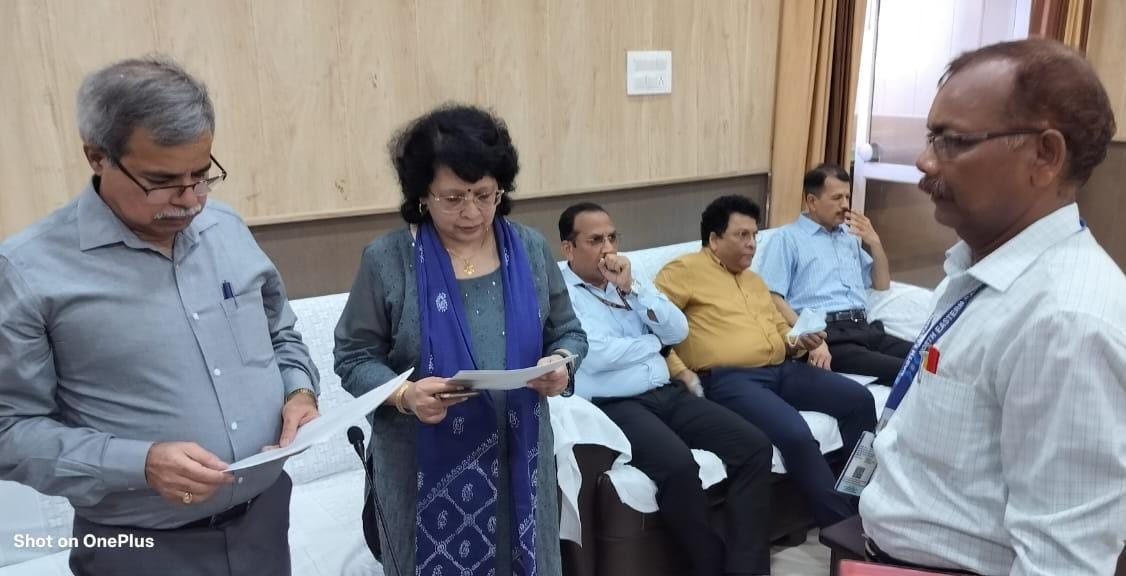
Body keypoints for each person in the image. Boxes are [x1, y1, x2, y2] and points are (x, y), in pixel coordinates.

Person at [0, 56, 320, 575]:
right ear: (97, 156)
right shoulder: (30, 271)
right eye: (163, 180)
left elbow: (281, 336)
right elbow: (8, 430)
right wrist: (140, 464)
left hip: (264, 522)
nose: (191, 200)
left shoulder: (227, 229)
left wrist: (299, 391)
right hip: (138, 548)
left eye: (202, 175)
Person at [859, 38, 1126, 575]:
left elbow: (1059, 563)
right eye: (931, 137)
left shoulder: (1065, 323)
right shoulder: (977, 269)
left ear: (1045, 156)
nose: (924, 160)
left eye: (954, 142)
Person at [333, 104, 588, 576]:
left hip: (521, 460)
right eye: (452, 198)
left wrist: (561, 364)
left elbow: (568, 331)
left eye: (484, 195)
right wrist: (406, 395)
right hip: (419, 469)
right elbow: (353, 356)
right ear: (422, 195)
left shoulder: (530, 248)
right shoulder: (389, 259)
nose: (472, 212)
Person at [559, 202, 775, 576]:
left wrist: (633, 290)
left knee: (755, 447)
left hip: (667, 392)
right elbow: (596, 355)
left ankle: (744, 569)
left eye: (612, 238)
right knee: (678, 467)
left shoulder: (630, 277)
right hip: (615, 404)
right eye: (595, 241)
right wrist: (654, 343)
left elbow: (677, 331)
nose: (608, 249)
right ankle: (711, 566)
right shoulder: (561, 292)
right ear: (569, 248)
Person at [655, 195, 876, 529]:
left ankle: (858, 502)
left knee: (860, 400)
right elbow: (653, 326)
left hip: (783, 370)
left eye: (755, 235)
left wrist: (801, 340)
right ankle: (842, 528)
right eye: (742, 235)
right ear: (714, 239)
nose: (752, 244)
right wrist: (680, 371)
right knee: (796, 433)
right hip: (730, 379)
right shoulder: (683, 272)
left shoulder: (754, 281)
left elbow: (780, 332)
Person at [756, 164, 911, 384]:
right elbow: (772, 296)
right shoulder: (787, 238)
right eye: (837, 198)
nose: (845, 205)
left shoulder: (848, 237)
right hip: (829, 335)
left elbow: (882, 284)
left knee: (928, 356)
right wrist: (811, 337)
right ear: (812, 201)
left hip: (866, 328)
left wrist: (875, 242)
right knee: (907, 372)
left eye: (847, 197)